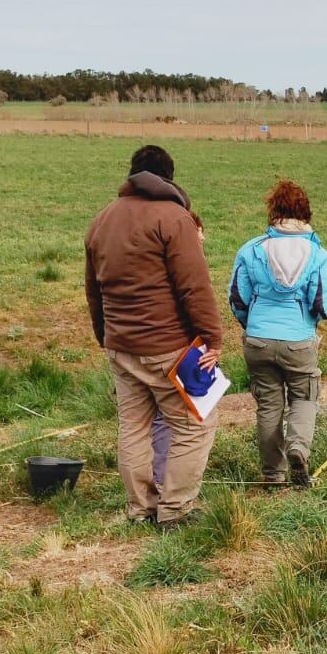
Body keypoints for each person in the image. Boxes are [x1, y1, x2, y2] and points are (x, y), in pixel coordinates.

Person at [85, 146, 223, 528]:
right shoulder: (174, 219)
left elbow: (93, 291)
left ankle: (140, 509)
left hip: (120, 348)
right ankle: (176, 510)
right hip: (169, 348)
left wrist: (105, 337)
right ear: (169, 177)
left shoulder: (102, 220)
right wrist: (212, 338)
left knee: (133, 426)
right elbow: (194, 287)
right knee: (195, 423)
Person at [228, 179, 327, 487]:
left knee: (268, 406)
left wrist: (252, 326)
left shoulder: (251, 250)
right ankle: (298, 448)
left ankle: (272, 474)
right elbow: (323, 305)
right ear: (306, 213)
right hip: (298, 342)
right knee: (304, 398)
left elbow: (237, 299)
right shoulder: (317, 254)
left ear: (273, 212)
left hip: (257, 340)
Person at [152, 212, 204, 489]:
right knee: (179, 420)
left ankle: (155, 487)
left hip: (170, 347)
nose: (203, 237)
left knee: (157, 419)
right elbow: (193, 300)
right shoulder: (179, 264)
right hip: (175, 350)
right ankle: (170, 494)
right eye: (198, 231)